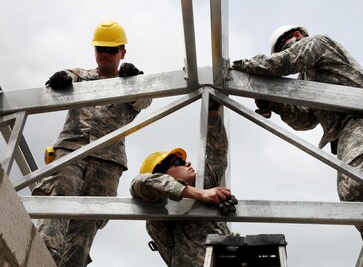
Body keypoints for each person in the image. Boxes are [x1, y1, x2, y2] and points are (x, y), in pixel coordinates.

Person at [231, 25, 363, 267]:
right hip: (347, 134)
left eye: (283, 46)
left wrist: (237, 66)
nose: (284, 51)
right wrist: (276, 103)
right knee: (353, 198)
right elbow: (306, 120)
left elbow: (284, 62)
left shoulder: (319, 44)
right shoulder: (307, 79)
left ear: (297, 36)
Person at [32, 20, 152, 267]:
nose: (104, 55)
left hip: (107, 164)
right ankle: (40, 258)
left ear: (122, 52)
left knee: (88, 218)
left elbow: (145, 101)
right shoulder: (82, 77)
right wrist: (62, 77)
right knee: (61, 195)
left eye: (110, 50)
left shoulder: (131, 83)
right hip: (71, 152)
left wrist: (136, 81)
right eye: (100, 49)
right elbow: (68, 77)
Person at [130, 101, 235, 267]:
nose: (187, 163)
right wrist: (200, 194)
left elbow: (217, 152)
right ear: (161, 173)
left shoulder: (204, 184)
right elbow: (141, 183)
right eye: (178, 162)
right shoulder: (157, 207)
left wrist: (213, 110)